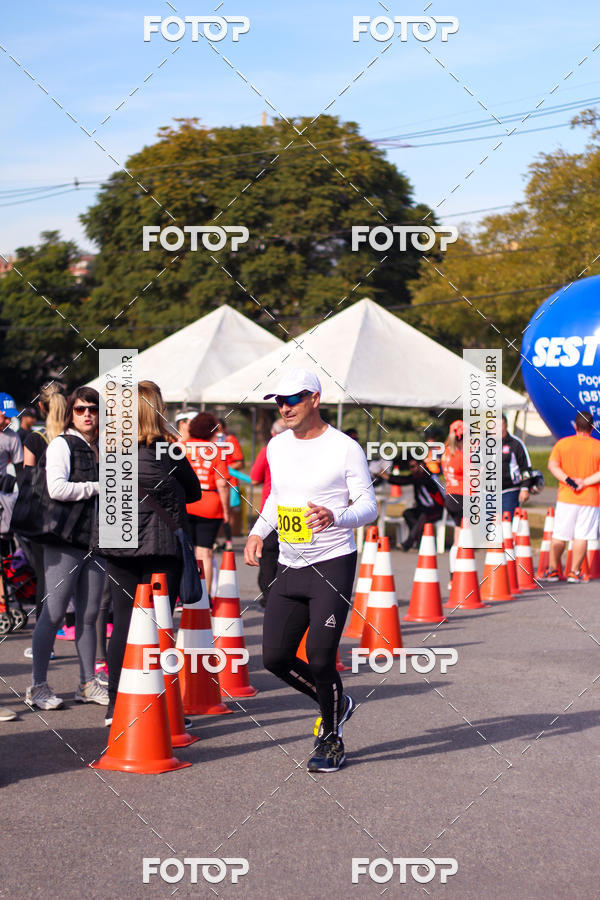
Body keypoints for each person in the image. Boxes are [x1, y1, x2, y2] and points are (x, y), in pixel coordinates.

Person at [244, 368, 377, 773]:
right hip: (289, 563)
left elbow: (368, 506)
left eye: (292, 399)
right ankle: (336, 703)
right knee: (275, 658)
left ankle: (331, 737)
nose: (284, 407)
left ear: (314, 399)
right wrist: (257, 532)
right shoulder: (277, 446)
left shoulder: (344, 448)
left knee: (320, 659)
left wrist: (336, 516)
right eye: (279, 401)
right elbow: (276, 498)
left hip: (332, 562)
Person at [94, 381, 202, 726]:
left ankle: (116, 706)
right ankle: (162, 709)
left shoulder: (111, 453)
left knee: (123, 624)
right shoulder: (169, 451)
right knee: (159, 627)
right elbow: (195, 493)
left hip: (119, 546)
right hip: (161, 546)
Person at [26, 387, 107, 711]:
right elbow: (56, 487)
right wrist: (98, 487)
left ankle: (87, 683)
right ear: (71, 412)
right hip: (64, 540)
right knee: (54, 613)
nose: (87, 414)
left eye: (93, 409)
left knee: (89, 615)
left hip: (96, 540)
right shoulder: (62, 443)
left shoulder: (104, 445)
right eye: (80, 409)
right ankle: (38, 686)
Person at [546, 410, 600, 583]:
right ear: (592, 427)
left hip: (566, 497)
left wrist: (569, 480)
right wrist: (585, 482)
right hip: (590, 498)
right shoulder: (597, 446)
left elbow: (553, 466)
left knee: (559, 535)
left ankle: (553, 570)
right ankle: (574, 572)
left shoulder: (562, 444)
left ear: (575, 426)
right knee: (581, 536)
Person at [184, 412, 229, 594]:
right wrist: (226, 511)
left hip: (185, 504)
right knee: (205, 553)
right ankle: (204, 597)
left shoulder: (181, 447)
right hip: (209, 505)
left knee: (186, 551)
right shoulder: (216, 451)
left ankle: (185, 595)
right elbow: (222, 484)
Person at [250, 418, 287, 607]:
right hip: (294, 510)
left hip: (269, 510)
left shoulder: (267, 450)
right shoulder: (300, 450)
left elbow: (254, 479)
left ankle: (269, 595)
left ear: (273, 434)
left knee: (268, 556)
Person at [379, 457, 445, 550]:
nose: (411, 469)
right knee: (408, 513)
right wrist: (388, 477)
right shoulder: (417, 477)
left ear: (421, 465)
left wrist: (388, 477)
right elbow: (407, 479)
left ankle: (408, 543)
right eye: (410, 467)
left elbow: (405, 480)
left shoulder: (428, 476)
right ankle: (419, 539)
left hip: (437, 509)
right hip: (424, 509)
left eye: (413, 466)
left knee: (423, 516)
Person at [215, 418, 244, 549]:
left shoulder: (230, 440)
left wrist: (225, 469)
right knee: (215, 511)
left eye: (219, 428)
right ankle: (214, 540)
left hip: (230, 483)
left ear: (224, 428)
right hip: (214, 482)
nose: (217, 431)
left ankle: (228, 541)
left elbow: (240, 463)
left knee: (228, 511)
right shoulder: (209, 442)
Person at [441, 420, 464, 579]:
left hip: (451, 495)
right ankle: (457, 576)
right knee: (463, 538)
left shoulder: (446, 452)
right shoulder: (460, 456)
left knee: (458, 536)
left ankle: (453, 575)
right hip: (462, 496)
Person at [501, 414, 533, 516]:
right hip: (488, 492)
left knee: (506, 522)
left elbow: (526, 468)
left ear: (505, 425)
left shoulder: (516, 444)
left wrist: (525, 488)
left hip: (510, 491)